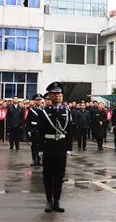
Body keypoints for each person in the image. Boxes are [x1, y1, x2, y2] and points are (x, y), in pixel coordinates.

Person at [38, 82, 72, 213]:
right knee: (48, 175)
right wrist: (40, 150)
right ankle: (48, 201)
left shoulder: (66, 112)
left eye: (59, 93)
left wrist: (69, 148)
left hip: (61, 147)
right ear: (50, 96)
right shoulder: (44, 112)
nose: (57, 96)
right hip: (48, 146)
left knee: (60, 176)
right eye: (55, 94)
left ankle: (57, 201)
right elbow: (40, 132)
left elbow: (70, 131)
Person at [27, 94, 43, 165]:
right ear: (34, 101)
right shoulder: (31, 110)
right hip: (33, 131)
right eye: (37, 100)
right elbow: (28, 121)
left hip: (41, 131)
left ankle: (39, 160)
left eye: (39, 100)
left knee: (41, 147)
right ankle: (34, 160)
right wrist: (29, 131)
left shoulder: (44, 110)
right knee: (33, 147)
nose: (38, 101)